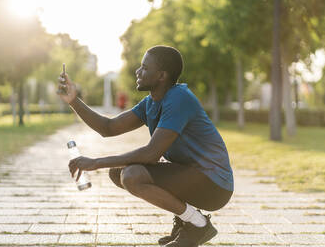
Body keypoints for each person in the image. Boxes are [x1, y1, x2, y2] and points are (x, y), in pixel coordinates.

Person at [57, 45, 234, 247]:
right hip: (192, 174)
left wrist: (95, 162)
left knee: (133, 176)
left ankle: (197, 225)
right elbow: (108, 127)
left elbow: (151, 153)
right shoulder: (151, 102)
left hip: (214, 185)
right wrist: (73, 100)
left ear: (161, 75)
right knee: (119, 173)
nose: (137, 71)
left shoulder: (179, 98)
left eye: (144, 67)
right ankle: (187, 220)